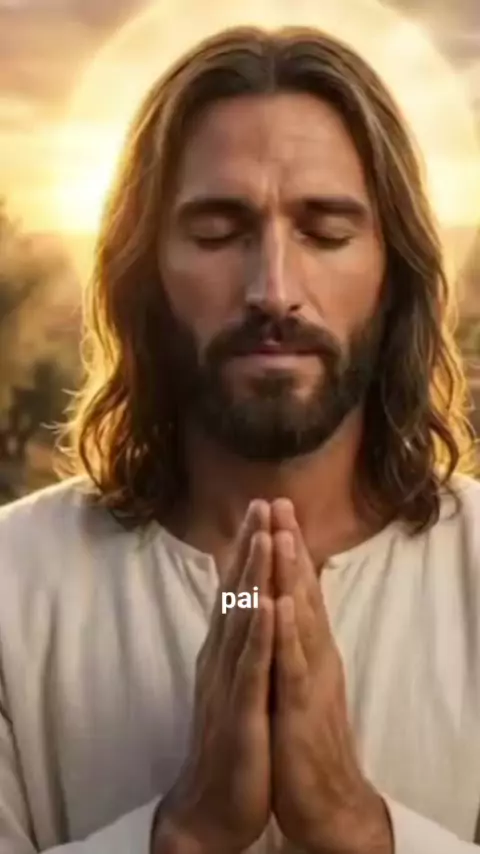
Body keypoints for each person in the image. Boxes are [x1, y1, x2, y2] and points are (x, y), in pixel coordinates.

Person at [0, 23, 479, 854]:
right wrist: (184, 833)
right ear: (144, 271)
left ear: (392, 271)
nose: (274, 289)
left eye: (325, 232)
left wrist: (361, 830)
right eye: (218, 233)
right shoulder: (14, 585)